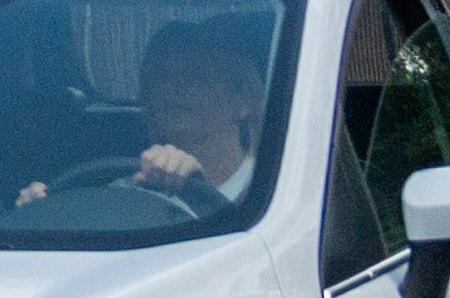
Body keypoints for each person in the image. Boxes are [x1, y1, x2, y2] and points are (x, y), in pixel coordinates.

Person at [20, 15, 267, 209]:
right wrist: (41, 212)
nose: (172, 87)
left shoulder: (275, 192)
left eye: (196, 75)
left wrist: (197, 189)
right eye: (159, 77)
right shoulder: (122, 194)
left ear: (242, 102)